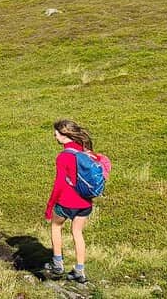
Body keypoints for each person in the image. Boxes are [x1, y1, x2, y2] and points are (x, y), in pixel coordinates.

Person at [43, 119, 109, 284]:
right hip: (85, 204)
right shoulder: (87, 153)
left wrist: (50, 206)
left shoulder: (63, 157)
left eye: (56, 133)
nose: (54, 136)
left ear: (64, 136)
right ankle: (80, 271)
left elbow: (59, 184)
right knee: (77, 233)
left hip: (66, 202)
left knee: (56, 226)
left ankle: (57, 263)